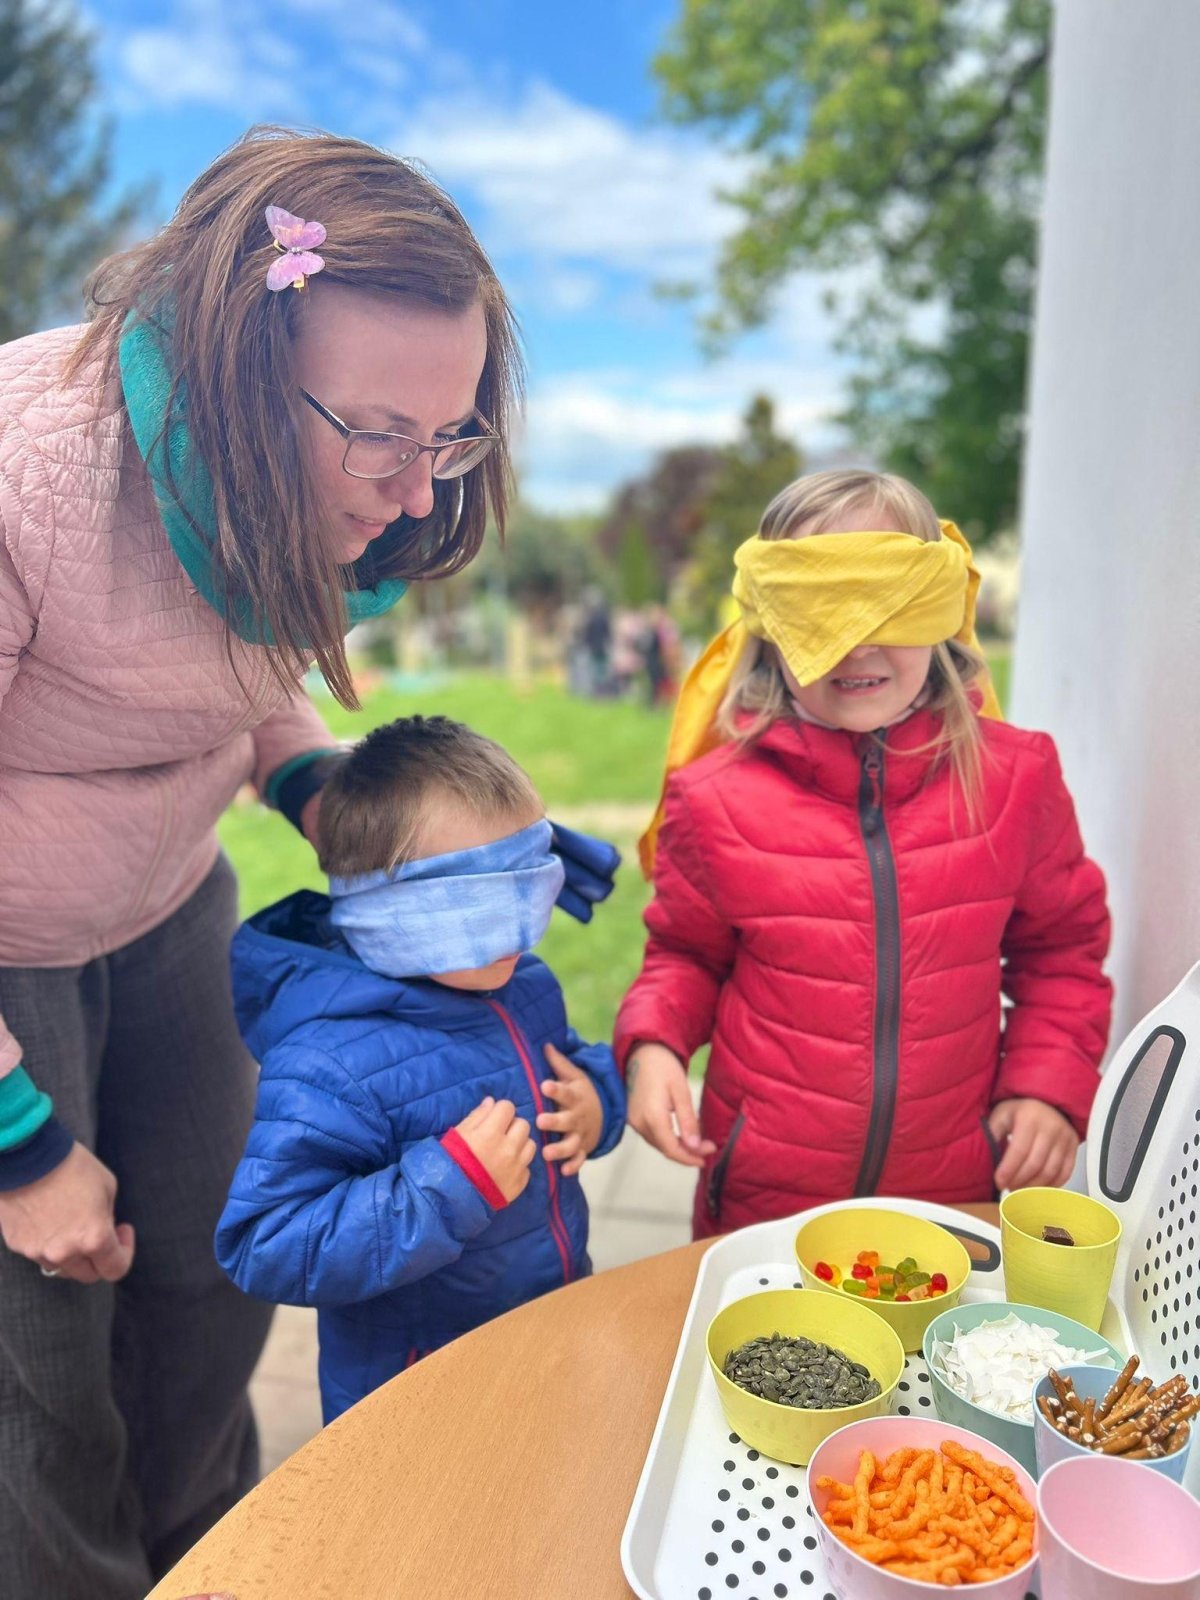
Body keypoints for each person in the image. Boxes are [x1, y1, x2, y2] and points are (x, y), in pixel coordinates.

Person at [0, 126, 522, 1599]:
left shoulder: (333, 481)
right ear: (234, 372)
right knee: (44, 1353)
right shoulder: (23, 476)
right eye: (383, 436)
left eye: (453, 438)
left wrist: (321, 790)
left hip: (169, 903)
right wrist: (21, 1148)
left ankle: (205, 1561)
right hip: (10, 950)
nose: (418, 495)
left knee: (209, 1271)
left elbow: (247, 662)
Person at [616, 470, 1112, 1239]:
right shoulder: (712, 799)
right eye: (824, 610)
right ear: (772, 623)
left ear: (939, 608)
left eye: (890, 604)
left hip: (950, 1199)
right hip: (765, 1206)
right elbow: (686, 955)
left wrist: (1046, 1085)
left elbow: (1063, 953)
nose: (859, 642)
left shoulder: (1016, 779)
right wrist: (654, 1045)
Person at [215, 715, 625, 1422]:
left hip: (548, 1331)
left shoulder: (521, 986)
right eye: (481, 905)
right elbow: (267, 1244)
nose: (518, 930)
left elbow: (568, 1065)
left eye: (528, 886)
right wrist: (447, 1189)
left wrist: (597, 1102)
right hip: (416, 1395)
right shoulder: (327, 1062)